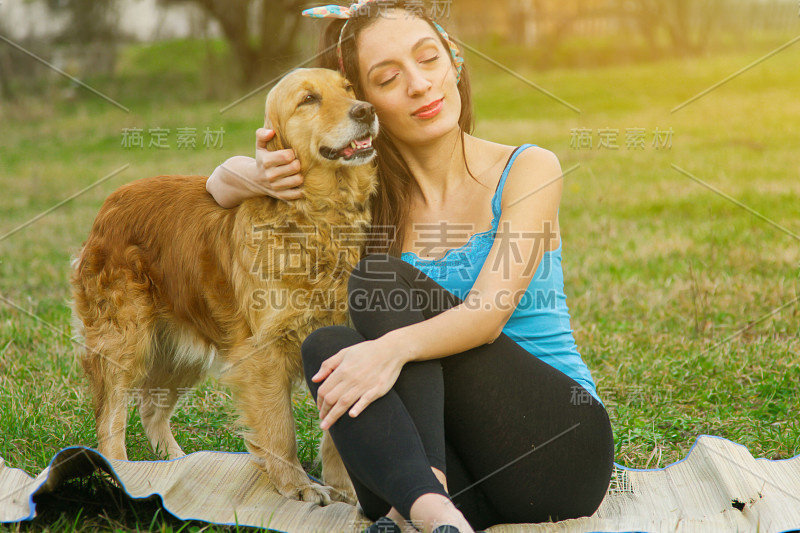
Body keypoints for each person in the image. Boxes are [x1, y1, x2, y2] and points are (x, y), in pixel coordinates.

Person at [205, 1, 615, 532]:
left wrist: (388, 349)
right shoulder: (373, 203)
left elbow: (486, 315)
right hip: (467, 472)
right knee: (325, 348)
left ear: (455, 62)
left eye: (428, 60)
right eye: (387, 78)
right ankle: (427, 507)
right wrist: (267, 172)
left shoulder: (529, 169)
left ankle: (422, 497)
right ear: (364, 102)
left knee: (380, 282)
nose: (419, 85)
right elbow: (219, 183)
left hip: (559, 448)